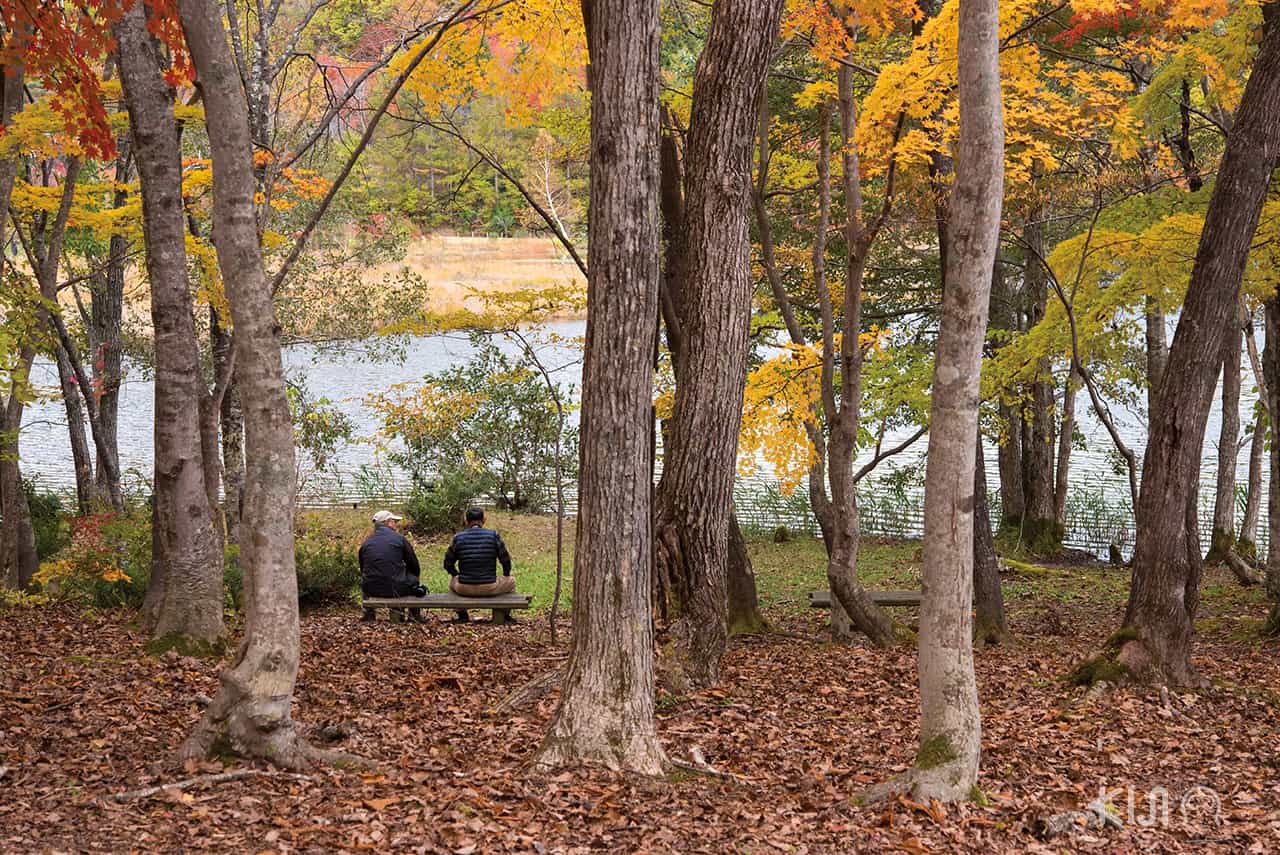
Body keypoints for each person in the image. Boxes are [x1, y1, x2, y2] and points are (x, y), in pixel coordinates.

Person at [443, 507, 514, 622]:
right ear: (484, 519)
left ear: (466, 520)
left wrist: (455, 574)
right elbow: (505, 560)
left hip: (464, 587)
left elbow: (447, 563)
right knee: (511, 581)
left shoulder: (458, 537)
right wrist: (506, 574)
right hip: (490, 586)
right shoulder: (493, 535)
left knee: (452, 583)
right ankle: (504, 614)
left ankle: (462, 615)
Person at [359, 510, 426, 623]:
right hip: (397, 589)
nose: (396, 524)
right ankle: (414, 616)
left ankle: (369, 614)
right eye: (394, 521)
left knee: (367, 578)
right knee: (414, 579)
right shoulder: (399, 539)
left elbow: (363, 568)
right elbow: (414, 565)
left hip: (371, 589)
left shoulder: (366, 543)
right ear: (388, 522)